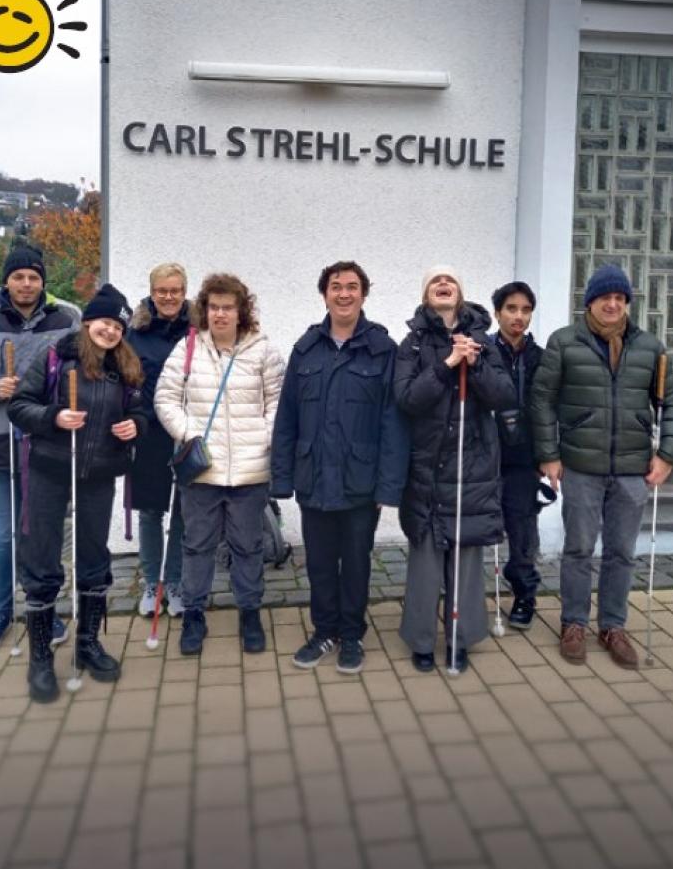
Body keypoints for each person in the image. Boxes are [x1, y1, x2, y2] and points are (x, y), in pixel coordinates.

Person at [532, 264, 673, 669]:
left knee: (621, 552)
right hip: (581, 465)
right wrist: (549, 455)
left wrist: (667, 454)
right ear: (591, 302)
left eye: (620, 298)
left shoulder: (651, 349)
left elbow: (672, 405)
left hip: (633, 470)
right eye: (605, 297)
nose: (613, 304)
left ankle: (613, 626)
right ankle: (574, 624)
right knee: (579, 549)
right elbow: (542, 401)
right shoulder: (564, 343)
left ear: (626, 303)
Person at [8, 284, 147, 703]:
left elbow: (139, 408)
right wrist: (54, 417)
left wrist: (134, 425)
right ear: (88, 321)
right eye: (104, 321)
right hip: (50, 469)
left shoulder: (126, 366)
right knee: (42, 558)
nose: (109, 330)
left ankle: (88, 644)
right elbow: (19, 405)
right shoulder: (57, 355)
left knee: (92, 558)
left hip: (99, 473)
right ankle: (40, 657)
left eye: (117, 325)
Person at [271, 261, 409, 675]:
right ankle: (323, 631)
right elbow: (287, 418)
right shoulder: (306, 348)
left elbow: (393, 423)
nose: (344, 294)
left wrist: (388, 488)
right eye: (336, 287)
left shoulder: (384, 350)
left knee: (356, 562)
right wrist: (281, 478)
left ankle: (351, 635)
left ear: (364, 295)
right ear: (324, 294)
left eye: (352, 287)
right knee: (318, 562)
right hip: (313, 476)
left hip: (360, 481)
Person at [155, 273, 285, 657]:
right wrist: (189, 435)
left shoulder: (263, 351)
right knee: (197, 546)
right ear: (204, 310)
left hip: (250, 470)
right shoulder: (188, 349)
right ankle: (194, 613)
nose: (220, 314)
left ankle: (249, 613)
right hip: (202, 471)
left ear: (241, 310)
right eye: (214, 307)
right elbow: (165, 399)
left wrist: (262, 438)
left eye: (228, 307)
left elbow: (278, 402)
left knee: (248, 546)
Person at [0, 244, 77, 654]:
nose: (27, 284)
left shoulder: (65, 322)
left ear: (43, 282)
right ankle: (0, 612)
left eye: (34, 277)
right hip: (1, 443)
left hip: (47, 444)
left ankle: (45, 609)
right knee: (8, 533)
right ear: (7, 282)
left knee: (42, 534)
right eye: (19, 277)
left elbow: (79, 368)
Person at [394, 266, 514, 673]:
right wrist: (447, 364)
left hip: (471, 468)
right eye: (434, 281)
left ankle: (461, 639)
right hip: (428, 466)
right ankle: (423, 641)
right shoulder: (412, 343)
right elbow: (407, 397)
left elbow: (503, 395)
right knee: (426, 562)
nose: (443, 284)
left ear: (460, 292)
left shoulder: (483, 341)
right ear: (426, 293)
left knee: (465, 559)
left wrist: (475, 365)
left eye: (450, 280)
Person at [126, 262, 191, 618]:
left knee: (182, 511)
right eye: (162, 291)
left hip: (186, 434)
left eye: (175, 290)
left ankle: (177, 582)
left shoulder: (198, 330)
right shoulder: (135, 332)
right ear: (152, 293)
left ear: (184, 292)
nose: (169, 297)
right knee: (151, 511)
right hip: (149, 433)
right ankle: (153, 581)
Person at [489, 281, 547, 630]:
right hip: (486, 455)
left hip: (524, 459)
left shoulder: (539, 357)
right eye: (511, 309)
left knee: (523, 530)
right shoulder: (483, 352)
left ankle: (525, 594)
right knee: (479, 528)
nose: (518, 317)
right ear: (497, 313)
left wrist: (548, 454)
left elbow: (549, 408)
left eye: (525, 310)